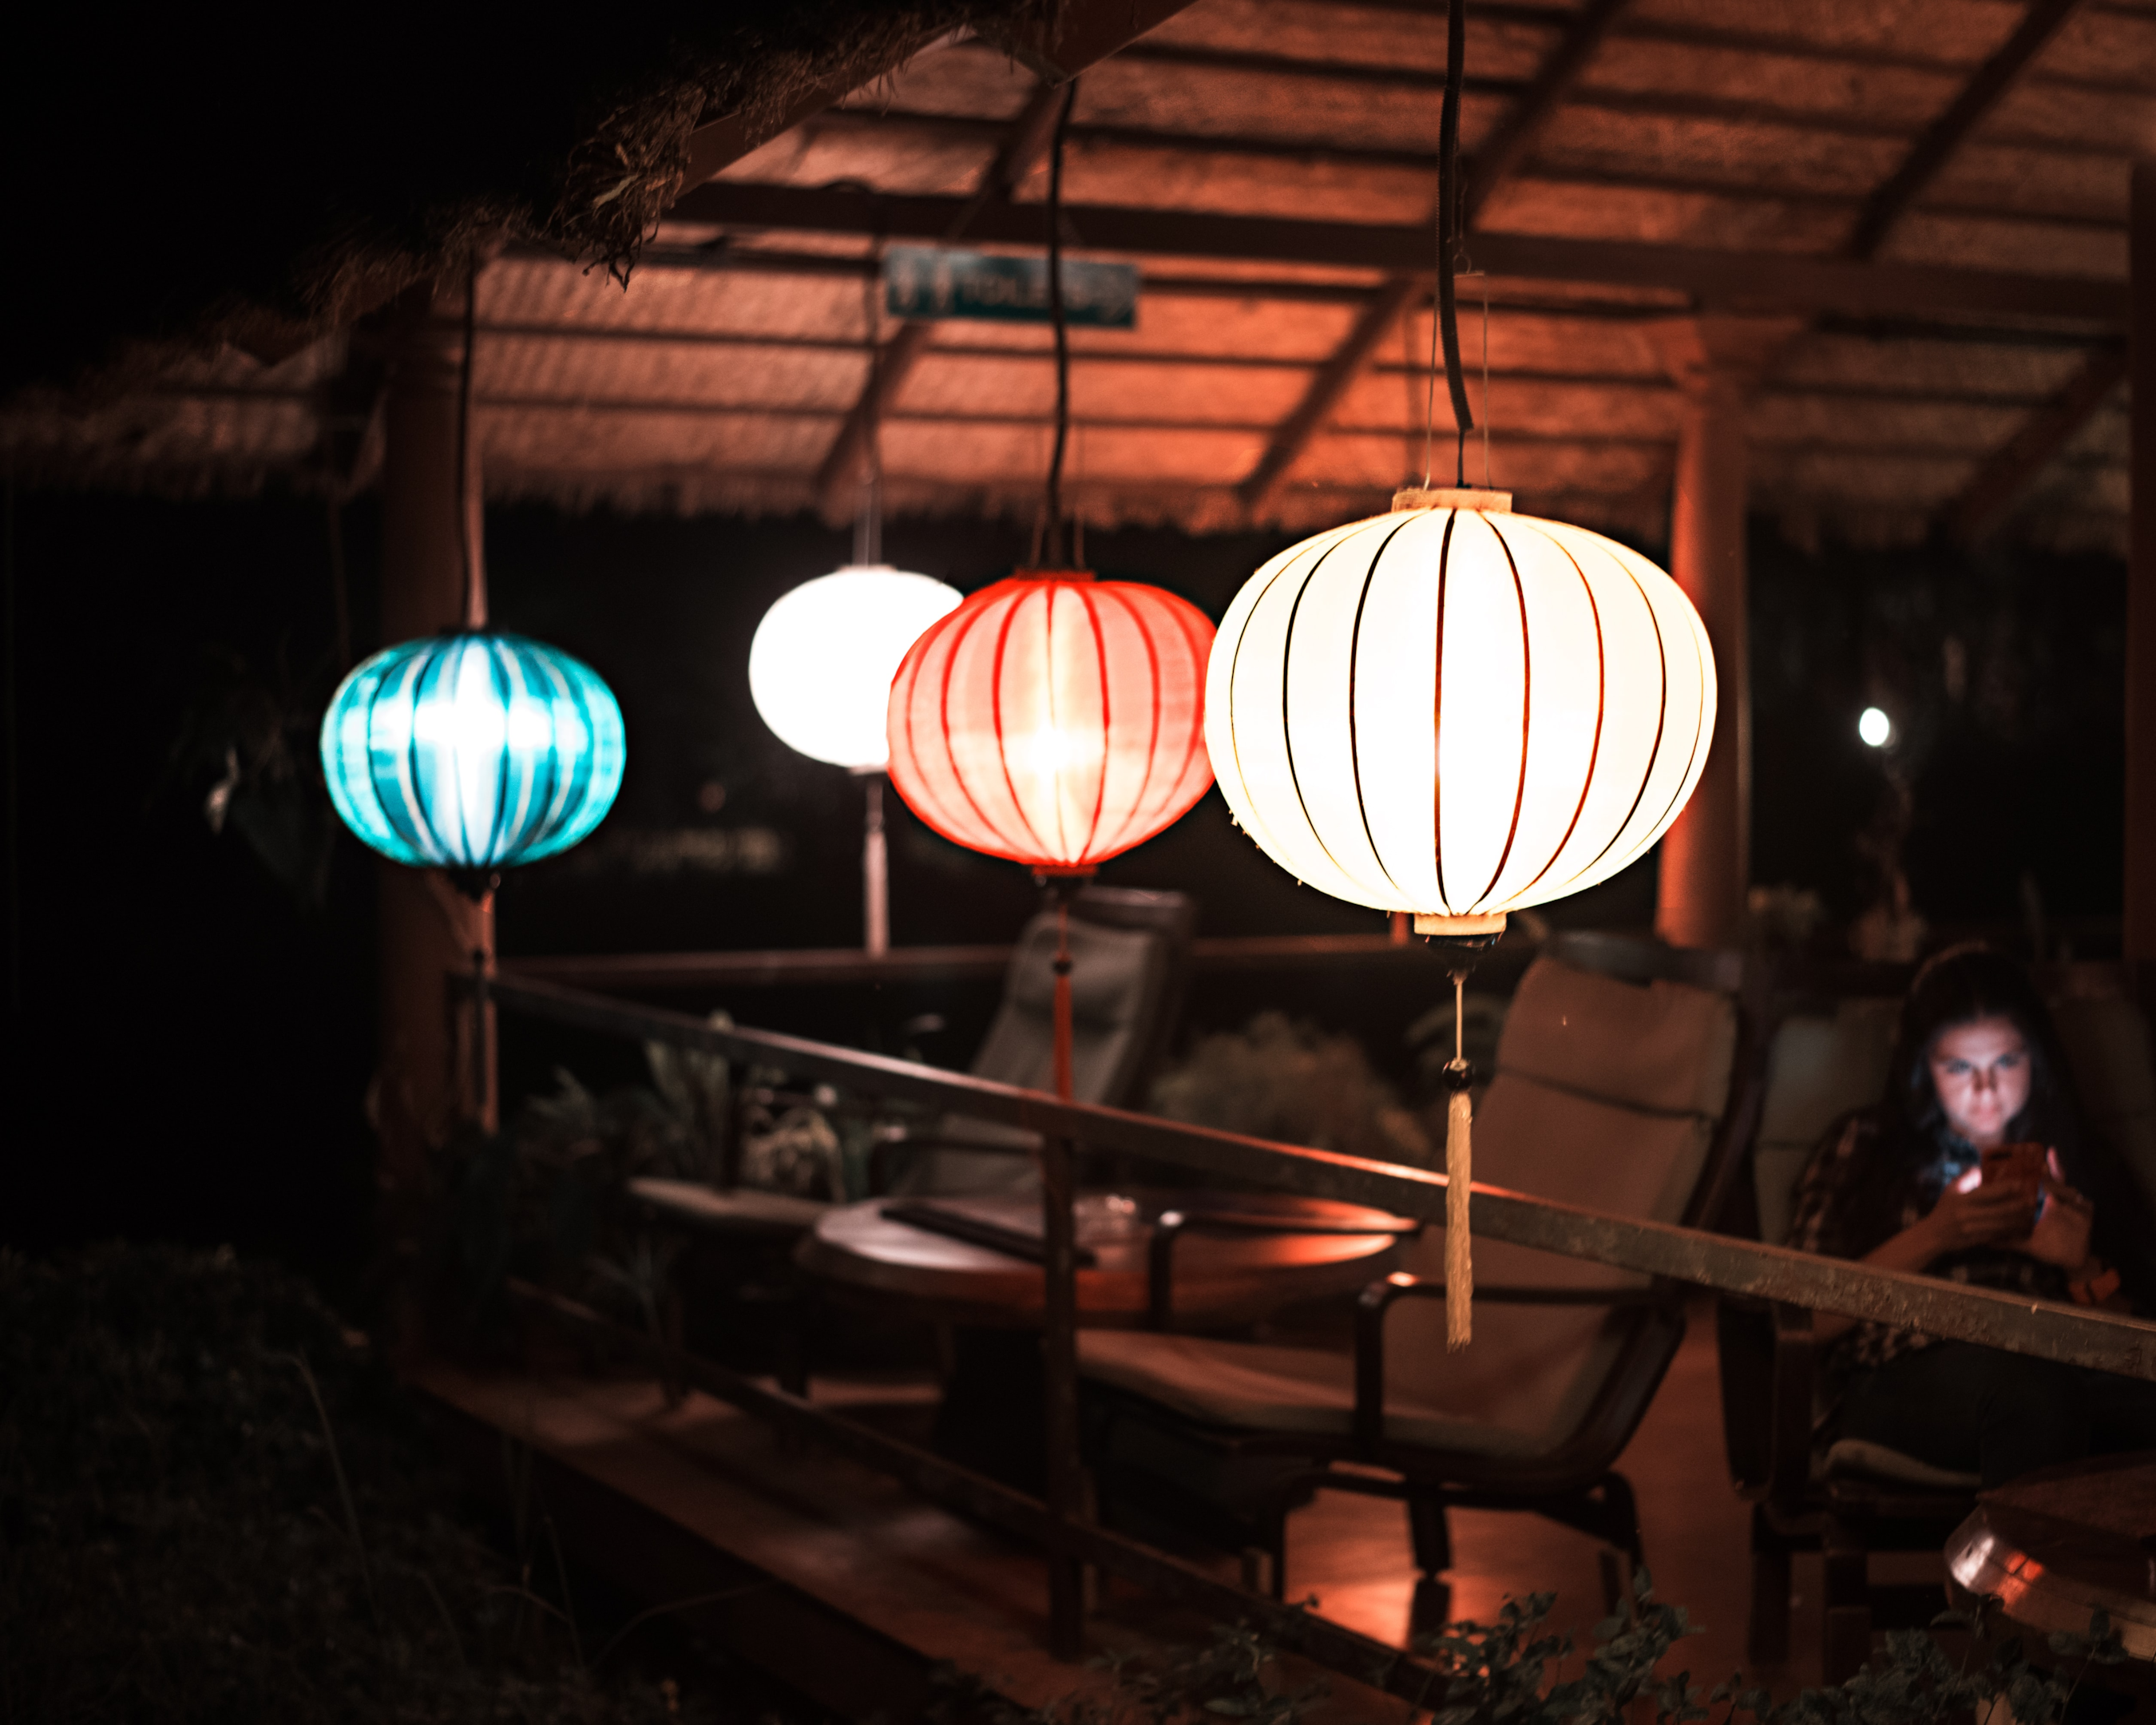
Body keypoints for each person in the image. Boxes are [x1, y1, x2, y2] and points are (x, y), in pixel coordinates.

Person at [1788, 945, 2156, 1487]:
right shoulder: (1865, 1147)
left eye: (2007, 1061)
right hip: (1907, 1370)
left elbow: (2140, 1341)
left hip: (2065, 1363)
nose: (1986, 1089)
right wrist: (1937, 1234)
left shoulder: (2080, 1158)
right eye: (1959, 1066)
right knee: (2028, 1391)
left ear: (2037, 1057)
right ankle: (2023, 1574)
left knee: (2067, 1388)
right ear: (1923, 1069)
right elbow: (1799, 1317)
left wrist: (2081, 1269)